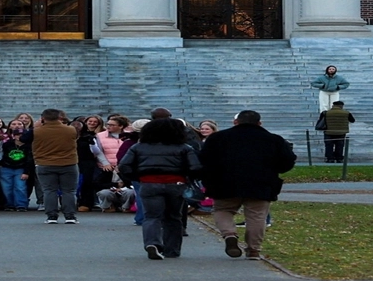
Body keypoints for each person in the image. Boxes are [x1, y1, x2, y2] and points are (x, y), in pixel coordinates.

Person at [199, 109, 297, 260]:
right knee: (257, 217)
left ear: (235, 122)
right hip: (261, 183)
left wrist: (209, 179)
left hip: (224, 183)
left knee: (222, 210)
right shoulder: (274, 140)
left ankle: (229, 234)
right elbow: (287, 162)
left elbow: (204, 160)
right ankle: (253, 250)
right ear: (259, 123)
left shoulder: (217, 138)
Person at [119, 118, 203, 260]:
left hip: (148, 183)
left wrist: (137, 177)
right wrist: (188, 179)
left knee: (151, 216)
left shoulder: (138, 147)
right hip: (175, 184)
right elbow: (195, 167)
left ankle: (152, 243)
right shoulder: (184, 148)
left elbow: (124, 166)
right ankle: (172, 250)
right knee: (173, 217)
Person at [30, 108, 81, 224]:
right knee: (69, 191)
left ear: (43, 118)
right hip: (68, 163)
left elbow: (23, 139)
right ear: (60, 117)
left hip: (44, 163)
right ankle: (70, 216)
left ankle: (51, 216)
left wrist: (36, 126)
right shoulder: (71, 130)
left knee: (49, 191)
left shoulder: (37, 131)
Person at [0, 119, 32, 211]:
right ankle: (9, 204)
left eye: (22, 135)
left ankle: (21, 205)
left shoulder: (29, 146)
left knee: (20, 187)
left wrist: (26, 172)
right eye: (17, 135)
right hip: (6, 168)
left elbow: (29, 160)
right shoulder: (7, 144)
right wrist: (0, 164)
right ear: (14, 136)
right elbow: (1, 154)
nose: (19, 137)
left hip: (21, 169)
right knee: (6, 188)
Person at [74, 116, 103, 211]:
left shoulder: (88, 136)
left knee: (87, 182)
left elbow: (97, 151)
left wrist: (92, 143)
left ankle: (86, 203)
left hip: (86, 161)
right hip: (72, 161)